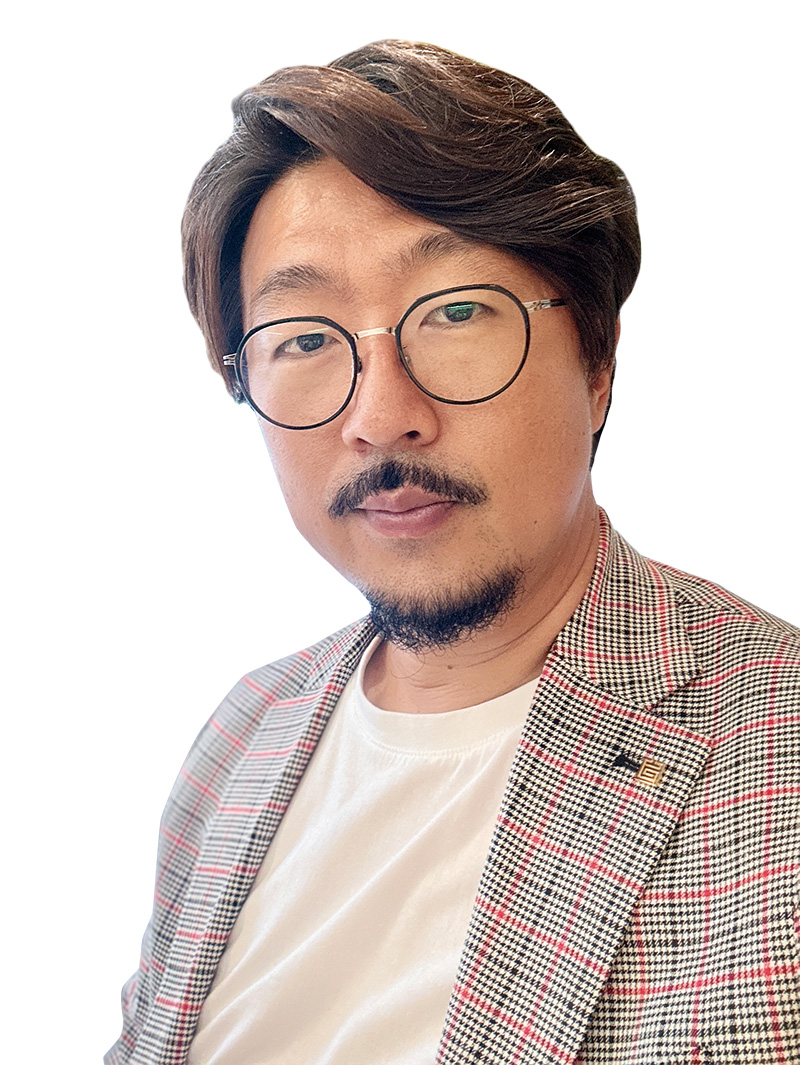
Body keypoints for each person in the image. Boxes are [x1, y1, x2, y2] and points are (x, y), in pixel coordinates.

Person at [106, 40, 800, 1065]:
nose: (381, 418)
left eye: (456, 312)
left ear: (597, 361)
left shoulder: (776, 755)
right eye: (304, 339)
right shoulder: (241, 737)